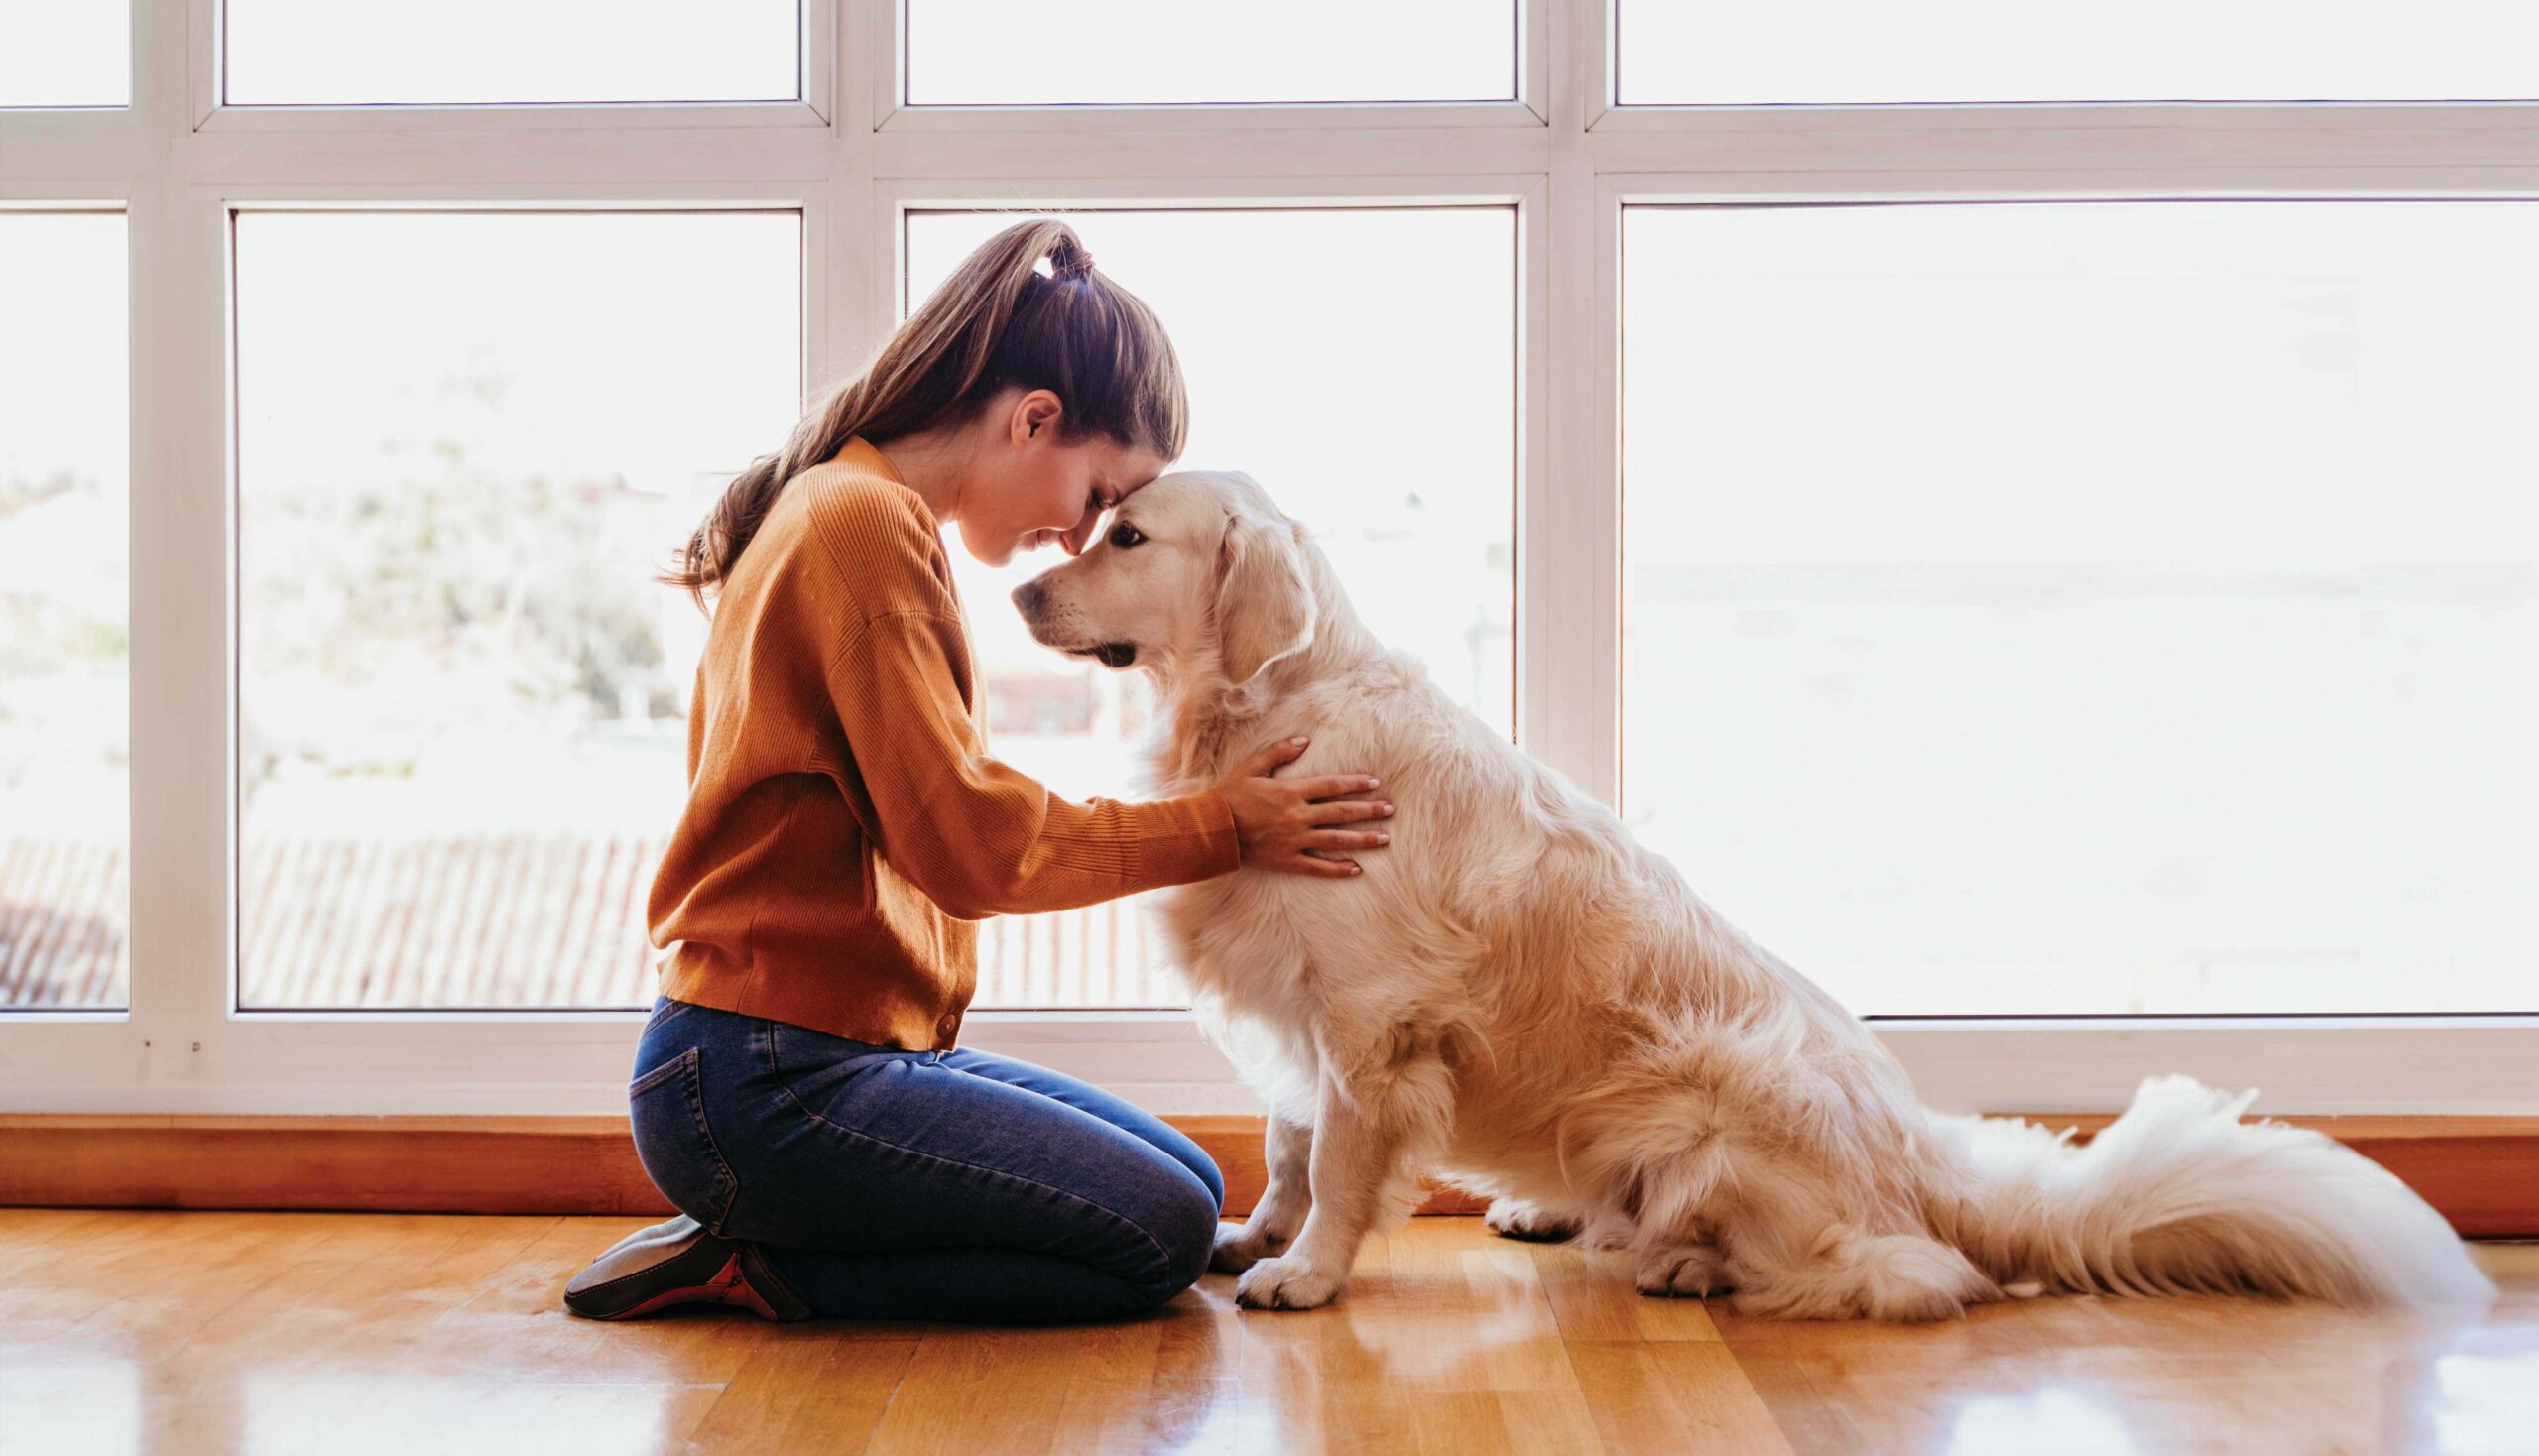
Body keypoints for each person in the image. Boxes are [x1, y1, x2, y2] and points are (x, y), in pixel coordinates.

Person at [562, 219, 1393, 1325]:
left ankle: (770, 1221)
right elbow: (971, 847)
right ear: (1032, 418)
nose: (1076, 537)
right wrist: (1222, 825)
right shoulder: (859, 527)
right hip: (760, 1082)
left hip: (825, 1057)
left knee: (1193, 1192)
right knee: (1154, 1238)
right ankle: (759, 1262)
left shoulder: (854, 505)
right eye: (1098, 496)